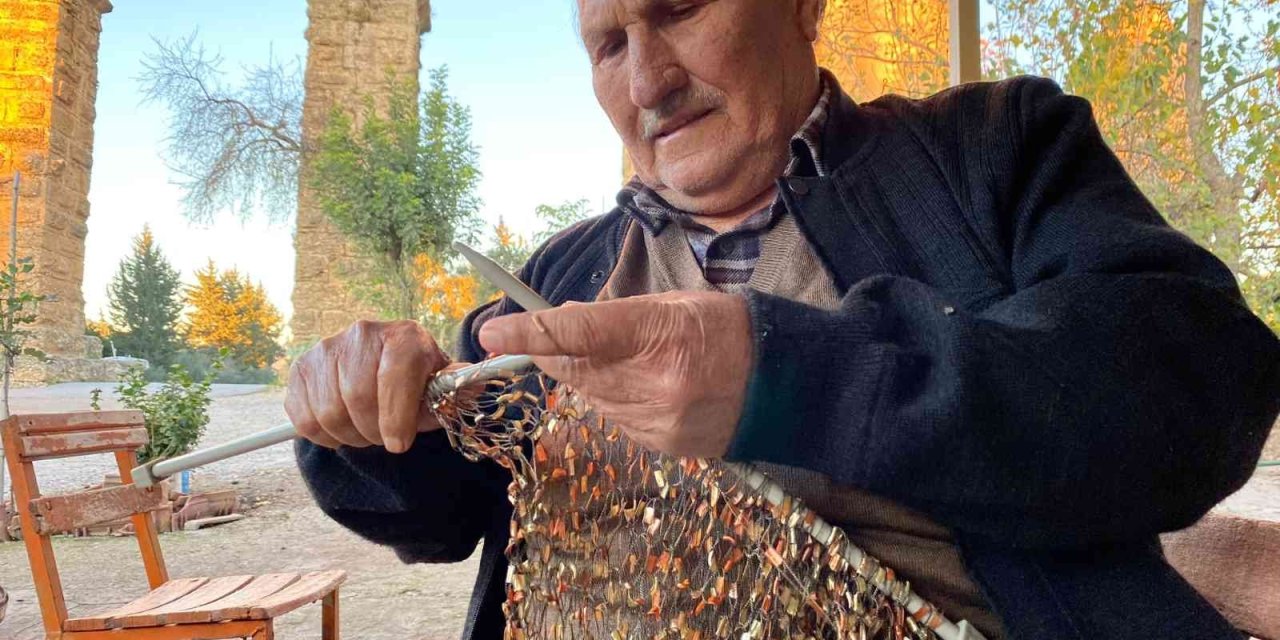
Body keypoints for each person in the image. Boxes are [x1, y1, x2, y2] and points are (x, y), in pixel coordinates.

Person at [287, 0, 1280, 637]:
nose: (646, 79)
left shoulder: (989, 154)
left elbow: (1194, 383)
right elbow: (434, 506)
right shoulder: (566, 271)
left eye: (677, 10)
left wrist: (791, 378)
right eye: (607, 45)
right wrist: (367, 414)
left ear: (802, 7)